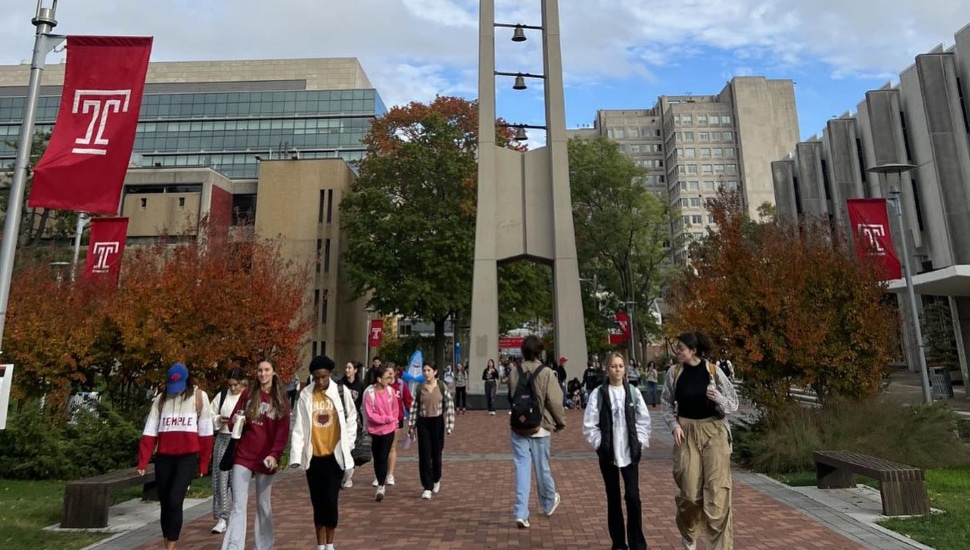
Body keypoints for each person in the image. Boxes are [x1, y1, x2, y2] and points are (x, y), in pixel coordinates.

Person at [661, 332, 739, 550]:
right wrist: (674, 426)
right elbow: (666, 404)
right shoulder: (674, 373)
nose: (678, 352)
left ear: (693, 351)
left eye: (681, 349)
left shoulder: (713, 371)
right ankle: (689, 532)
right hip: (686, 434)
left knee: (717, 493)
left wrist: (718, 398)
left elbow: (733, 404)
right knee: (689, 493)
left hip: (714, 432)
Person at [137, 363, 214, 550]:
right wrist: (143, 460)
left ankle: (172, 545)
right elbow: (149, 432)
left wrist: (204, 463)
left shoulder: (199, 397)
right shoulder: (161, 400)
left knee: (174, 499)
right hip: (164, 457)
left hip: (186, 457)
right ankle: (167, 543)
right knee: (165, 501)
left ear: (187, 381)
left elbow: (206, 432)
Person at [583, 353, 651, 550]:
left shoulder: (632, 392)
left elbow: (643, 420)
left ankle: (637, 542)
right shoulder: (599, 394)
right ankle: (619, 543)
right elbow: (589, 424)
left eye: (621, 366)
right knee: (613, 498)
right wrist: (600, 444)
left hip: (630, 452)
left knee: (632, 497)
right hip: (608, 454)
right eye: (614, 366)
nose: (618, 369)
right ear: (607, 368)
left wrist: (640, 442)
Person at [289, 355, 357, 550]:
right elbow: (299, 427)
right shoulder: (305, 395)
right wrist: (296, 456)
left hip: (334, 456)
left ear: (330, 375)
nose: (320, 381)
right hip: (314, 457)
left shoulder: (341, 392)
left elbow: (352, 418)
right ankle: (320, 545)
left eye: (324, 377)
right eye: (317, 377)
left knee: (330, 500)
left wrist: (349, 443)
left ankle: (331, 543)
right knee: (317, 503)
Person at [222, 359, 290, 550]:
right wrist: (235, 420)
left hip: (266, 457)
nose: (263, 374)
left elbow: (282, 433)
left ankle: (263, 545)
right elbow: (234, 421)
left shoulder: (280, 400)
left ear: (274, 372)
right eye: (260, 370)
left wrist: (275, 455)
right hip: (244, 454)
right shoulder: (248, 393)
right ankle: (233, 546)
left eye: (267, 370)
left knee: (263, 504)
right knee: (238, 504)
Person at [508, 336, 567, 529]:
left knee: (522, 469)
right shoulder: (547, 373)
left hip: (519, 427)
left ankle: (521, 512)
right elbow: (555, 401)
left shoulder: (514, 372)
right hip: (540, 427)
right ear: (539, 352)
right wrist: (560, 422)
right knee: (542, 468)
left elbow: (511, 397)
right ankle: (549, 501)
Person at [408, 363, 456, 499]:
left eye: (429, 370)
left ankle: (436, 478)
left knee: (436, 453)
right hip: (423, 422)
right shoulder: (420, 388)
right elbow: (414, 407)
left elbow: (450, 405)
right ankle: (427, 486)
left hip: (437, 422)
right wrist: (411, 426)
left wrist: (449, 426)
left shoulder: (441, 387)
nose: (426, 373)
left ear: (435, 372)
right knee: (424, 454)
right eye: (424, 370)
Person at [210, 367, 246, 534]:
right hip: (223, 438)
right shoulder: (222, 395)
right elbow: (210, 414)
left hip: (240, 441)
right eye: (230, 385)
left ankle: (236, 515)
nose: (233, 388)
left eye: (236, 385)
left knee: (237, 480)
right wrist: (218, 419)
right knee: (221, 478)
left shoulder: (248, 396)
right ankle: (222, 517)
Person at [363, 364, 398, 501]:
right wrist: (385, 419)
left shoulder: (390, 392)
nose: (388, 380)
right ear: (378, 379)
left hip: (389, 430)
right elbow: (370, 414)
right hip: (375, 430)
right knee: (377, 458)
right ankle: (379, 478)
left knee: (383, 456)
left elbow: (395, 409)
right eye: (385, 377)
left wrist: (392, 421)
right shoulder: (370, 393)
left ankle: (381, 485)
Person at [377, 365, 413, 487]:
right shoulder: (382, 387)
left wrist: (413, 418)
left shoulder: (401, 385)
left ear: (395, 373)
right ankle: (379, 474)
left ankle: (390, 474)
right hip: (382, 421)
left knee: (392, 447)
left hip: (397, 420)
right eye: (387, 374)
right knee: (381, 449)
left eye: (391, 373)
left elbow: (408, 401)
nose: (389, 376)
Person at [337, 361, 365, 488]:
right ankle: (341, 473)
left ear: (355, 370)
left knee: (353, 447)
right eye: (346, 367)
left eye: (350, 368)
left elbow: (362, 404)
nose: (347, 370)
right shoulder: (340, 385)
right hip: (341, 419)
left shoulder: (360, 385)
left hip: (355, 419)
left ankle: (349, 474)